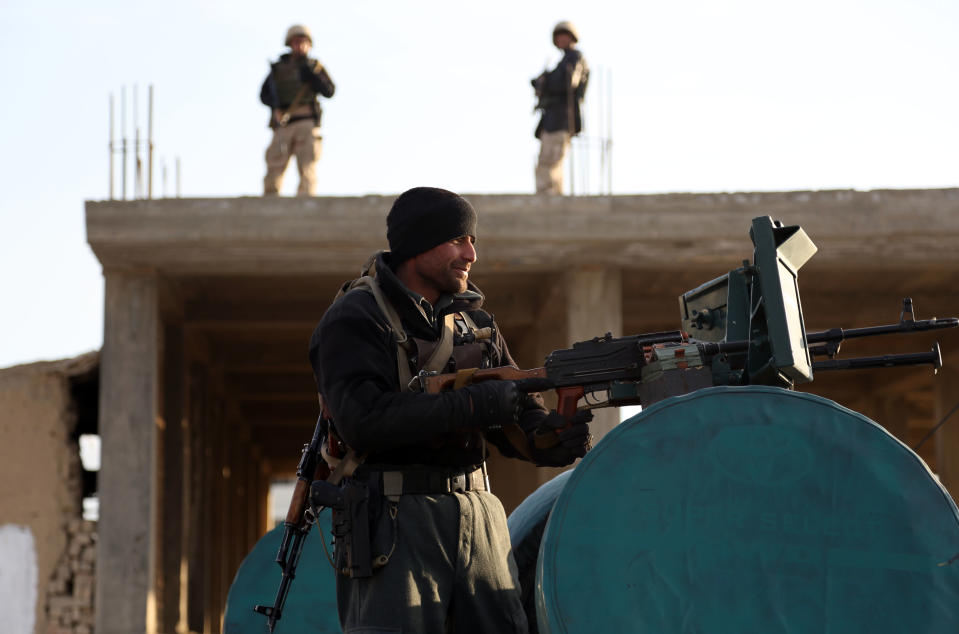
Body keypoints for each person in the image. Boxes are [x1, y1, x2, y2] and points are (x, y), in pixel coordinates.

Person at [308, 186, 593, 632]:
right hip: (395, 522)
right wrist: (474, 404)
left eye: (473, 240)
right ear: (418, 243)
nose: (471, 253)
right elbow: (363, 422)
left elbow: (516, 410)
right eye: (459, 239)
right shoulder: (356, 317)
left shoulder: (475, 324)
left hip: (479, 515)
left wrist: (551, 439)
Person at [260, 24, 335, 196]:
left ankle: (305, 199)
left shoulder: (314, 66)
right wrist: (275, 108)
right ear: (290, 44)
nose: (299, 46)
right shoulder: (278, 69)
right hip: (283, 122)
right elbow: (264, 95)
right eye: (296, 42)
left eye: (303, 42)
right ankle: (270, 198)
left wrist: (312, 75)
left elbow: (329, 91)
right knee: (275, 163)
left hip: (306, 121)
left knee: (307, 164)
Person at [532, 21, 589, 195]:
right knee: (547, 160)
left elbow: (567, 83)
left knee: (550, 161)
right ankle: (550, 194)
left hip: (562, 119)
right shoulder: (562, 61)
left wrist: (546, 82)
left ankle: (548, 195)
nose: (561, 40)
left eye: (564, 36)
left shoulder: (575, 58)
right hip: (551, 119)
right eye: (559, 37)